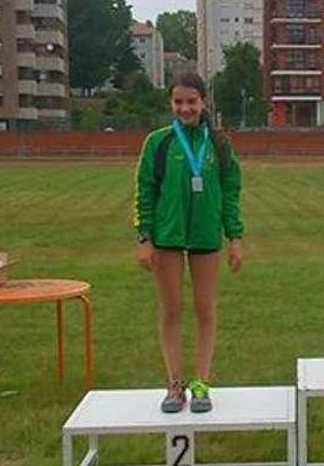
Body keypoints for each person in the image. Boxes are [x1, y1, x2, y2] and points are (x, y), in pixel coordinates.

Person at [133, 72, 244, 413]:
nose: (185, 108)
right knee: (171, 310)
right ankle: (173, 385)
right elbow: (145, 190)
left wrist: (235, 237)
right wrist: (144, 238)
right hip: (166, 237)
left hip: (205, 235)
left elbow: (231, 192)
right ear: (171, 103)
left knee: (205, 310)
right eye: (178, 102)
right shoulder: (158, 142)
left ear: (203, 102)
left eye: (191, 101)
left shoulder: (220, 144)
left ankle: (202, 384)